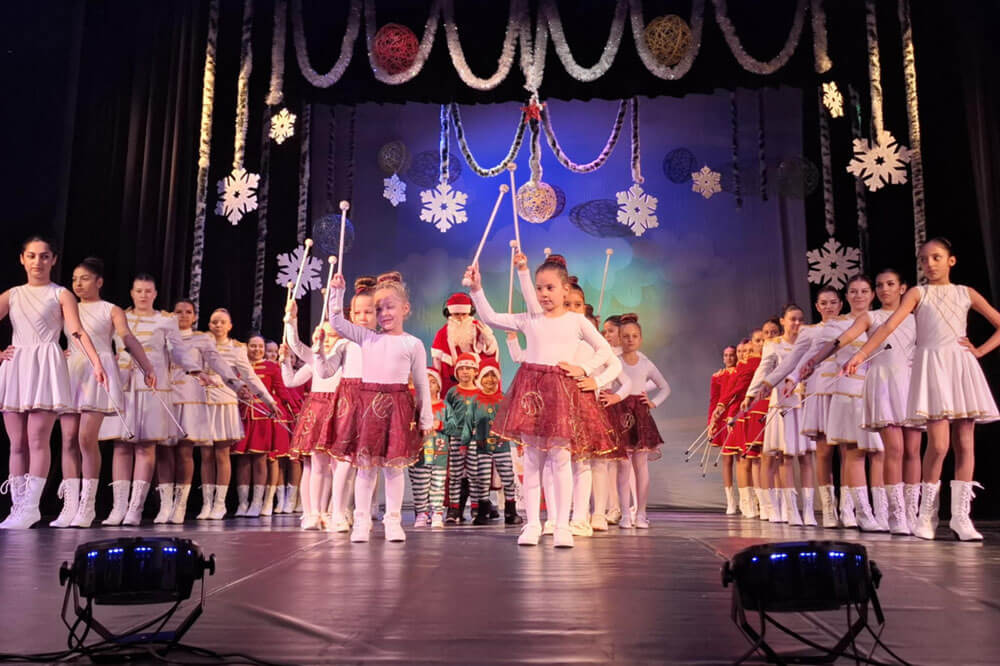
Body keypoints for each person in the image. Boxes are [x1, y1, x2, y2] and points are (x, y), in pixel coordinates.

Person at [846, 238, 1000, 540]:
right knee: (939, 445)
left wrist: (980, 351)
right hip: (932, 365)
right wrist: (862, 354)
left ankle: (961, 517)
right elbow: (888, 326)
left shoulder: (965, 292)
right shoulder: (918, 293)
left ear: (951, 261)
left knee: (965, 442)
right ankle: (927, 514)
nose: (930, 264)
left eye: (936, 257)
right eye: (924, 259)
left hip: (960, 366)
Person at [464, 254, 616, 548]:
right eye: (539, 288)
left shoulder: (576, 321)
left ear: (565, 290)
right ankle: (533, 523)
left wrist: (584, 369)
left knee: (561, 458)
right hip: (532, 393)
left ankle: (562, 525)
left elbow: (605, 350)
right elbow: (491, 318)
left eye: (550, 288)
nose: (544, 294)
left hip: (560, 393)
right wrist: (476, 289)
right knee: (533, 460)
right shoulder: (530, 319)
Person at [0, 237, 106, 529]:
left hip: (46, 364)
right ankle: (17, 506)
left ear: (53, 260)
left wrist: (97, 362)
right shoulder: (12, 295)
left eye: (44, 256)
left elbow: (77, 331)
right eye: (32, 256)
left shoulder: (60, 294)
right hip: (17, 365)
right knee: (16, 443)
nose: (38, 262)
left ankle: (31, 507)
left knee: (37, 439)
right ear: (22, 259)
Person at [327, 271, 434, 543]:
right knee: (366, 468)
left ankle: (393, 520)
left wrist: (426, 418)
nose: (384, 313)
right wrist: (337, 292)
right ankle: (361, 520)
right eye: (379, 309)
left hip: (398, 407)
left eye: (389, 307)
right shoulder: (367, 337)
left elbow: (422, 383)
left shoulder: (413, 344)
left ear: (405, 308)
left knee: (394, 469)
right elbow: (336, 321)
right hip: (368, 408)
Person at [48, 257, 154, 528]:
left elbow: (127, 338)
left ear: (99, 281)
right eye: (74, 279)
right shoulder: (66, 307)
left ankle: (87, 506)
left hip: (99, 372)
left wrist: (146, 366)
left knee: (85, 438)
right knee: (68, 439)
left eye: (84, 279)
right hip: (71, 371)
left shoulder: (111, 309)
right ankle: (69, 507)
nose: (78, 284)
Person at [101, 274, 203, 527]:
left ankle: (135, 508)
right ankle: (118, 508)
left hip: (152, 387)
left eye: (148, 291)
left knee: (146, 446)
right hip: (124, 386)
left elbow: (178, 352)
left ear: (155, 294)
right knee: (121, 446)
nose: (143, 295)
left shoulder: (166, 320)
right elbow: (101, 344)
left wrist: (194, 370)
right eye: (139, 291)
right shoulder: (118, 317)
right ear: (132, 293)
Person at [745, 304, 815, 526]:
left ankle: (809, 510)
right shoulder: (774, 344)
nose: (797, 323)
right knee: (786, 456)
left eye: (800, 319)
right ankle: (788, 509)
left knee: (806, 457)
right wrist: (751, 393)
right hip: (782, 403)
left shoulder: (809, 342)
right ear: (783, 321)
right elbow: (763, 370)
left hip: (804, 403)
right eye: (792, 319)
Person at [602, 313, 670, 528]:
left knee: (641, 467)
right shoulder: (615, 363)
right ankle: (624, 514)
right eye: (626, 336)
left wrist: (653, 403)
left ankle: (640, 513)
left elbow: (665, 387)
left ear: (640, 339)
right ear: (620, 339)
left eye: (634, 336)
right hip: (619, 415)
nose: (630, 340)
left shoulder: (646, 363)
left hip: (639, 417)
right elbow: (607, 384)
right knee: (623, 467)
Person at [232, 334, 291, 517]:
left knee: (260, 460)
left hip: (263, 417)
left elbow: (281, 390)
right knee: (242, 461)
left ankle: (257, 503)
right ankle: (243, 503)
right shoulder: (237, 366)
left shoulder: (272, 367)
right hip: (242, 416)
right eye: (253, 346)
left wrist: (294, 409)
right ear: (246, 347)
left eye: (260, 347)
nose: (257, 350)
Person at [474, 358, 523, 526]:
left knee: (508, 477)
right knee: (483, 478)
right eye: (486, 375)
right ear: (480, 378)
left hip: (502, 446)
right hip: (482, 447)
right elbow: (468, 424)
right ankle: (482, 511)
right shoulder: (476, 400)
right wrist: (467, 443)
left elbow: (513, 422)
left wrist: (519, 443)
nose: (490, 379)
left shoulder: (504, 399)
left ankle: (511, 511)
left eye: (493, 375)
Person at [443, 353, 483, 524]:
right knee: (455, 474)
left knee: (475, 473)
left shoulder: (480, 392)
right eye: (462, 369)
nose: (465, 372)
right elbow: (446, 414)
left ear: (475, 372)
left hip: (474, 438)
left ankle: (476, 507)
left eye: (469, 368)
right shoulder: (453, 392)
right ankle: (454, 509)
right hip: (456, 437)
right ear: (457, 372)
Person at [430, 292, 498, 394]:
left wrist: (488, 339)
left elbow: (491, 352)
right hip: (452, 381)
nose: (461, 318)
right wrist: (437, 379)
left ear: (470, 312)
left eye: (464, 314)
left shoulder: (478, 328)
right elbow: (437, 361)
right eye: (456, 314)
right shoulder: (442, 333)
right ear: (449, 313)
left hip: (477, 378)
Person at [409, 367, 449, 528]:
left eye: (433, 382)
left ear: (438, 386)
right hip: (420, 454)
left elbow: (455, 427)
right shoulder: (414, 406)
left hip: (440, 454)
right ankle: (421, 513)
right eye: (425, 381)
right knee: (420, 485)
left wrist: (441, 425)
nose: (428, 385)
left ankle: (437, 513)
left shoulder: (445, 407)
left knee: (438, 485)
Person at [710, 345, 738, 513]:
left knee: (743, 458)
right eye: (726, 355)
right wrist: (711, 422)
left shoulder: (740, 372)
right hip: (722, 418)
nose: (729, 358)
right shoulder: (717, 376)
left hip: (736, 416)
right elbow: (714, 401)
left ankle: (751, 500)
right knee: (727, 460)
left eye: (732, 355)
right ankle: (730, 501)